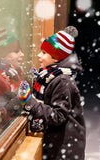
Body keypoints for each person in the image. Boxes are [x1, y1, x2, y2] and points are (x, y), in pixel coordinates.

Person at [18, 26, 86, 160]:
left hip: (64, 149)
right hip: (58, 145)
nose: (39, 55)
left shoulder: (62, 81)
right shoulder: (49, 76)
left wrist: (30, 102)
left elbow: (57, 116)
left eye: (43, 53)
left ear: (55, 58)